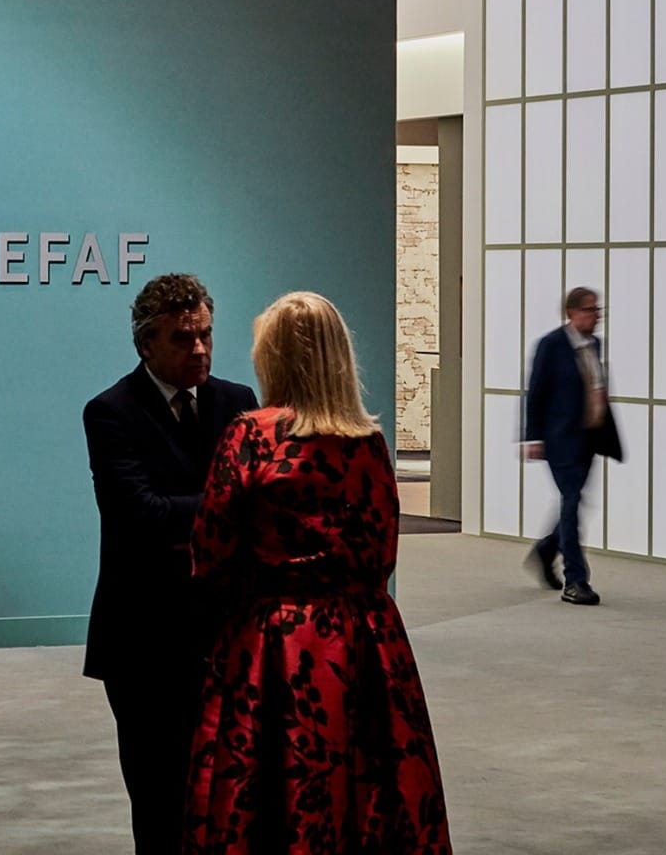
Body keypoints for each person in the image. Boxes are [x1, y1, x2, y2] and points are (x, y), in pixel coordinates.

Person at [184, 292, 452, 853]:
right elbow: (383, 551)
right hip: (366, 644)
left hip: (275, 645)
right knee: (373, 788)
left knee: (275, 788)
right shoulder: (370, 444)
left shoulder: (251, 435)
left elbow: (211, 549)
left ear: (274, 358)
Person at [81, 272, 258, 855]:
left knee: (230, 795)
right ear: (146, 344)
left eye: (206, 335)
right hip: (143, 641)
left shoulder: (238, 404)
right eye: (183, 339)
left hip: (223, 631)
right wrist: (231, 504)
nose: (200, 349)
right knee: (159, 798)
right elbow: (141, 514)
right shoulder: (110, 412)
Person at [522, 286, 622, 606]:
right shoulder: (551, 346)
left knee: (575, 502)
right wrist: (533, 437)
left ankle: (546, 549)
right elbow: (536, 392)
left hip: (589, 437)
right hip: (560, 438)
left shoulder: (594, 344)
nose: (597, 316)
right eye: (591, 310)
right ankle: (575, 579)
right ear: (572, 313)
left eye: (598, 310)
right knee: (572, 502)